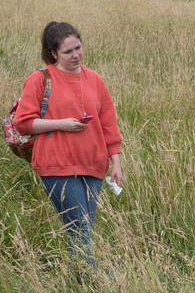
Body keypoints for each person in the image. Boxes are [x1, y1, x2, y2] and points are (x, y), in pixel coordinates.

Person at [13, 21, 123, 279]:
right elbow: (23, 122)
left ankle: (77, 285)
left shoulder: (94, 79)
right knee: (80, 228)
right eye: (68, 52)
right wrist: (62, 124)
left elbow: (108, 122)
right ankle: (91, 287)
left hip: (93, 165)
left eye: (78, 48)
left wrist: (115, 161)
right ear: (53, 53)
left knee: (82, 231)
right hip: (56, 166)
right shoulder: (40, 79)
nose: (76, 55)